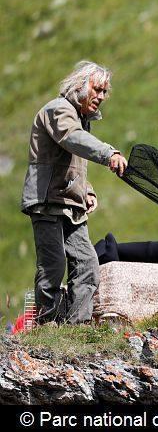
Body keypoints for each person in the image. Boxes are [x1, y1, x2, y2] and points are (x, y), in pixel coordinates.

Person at [21, 61, 127, 325]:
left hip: (72, 205)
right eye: (97, 89)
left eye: (105, 92)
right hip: (47, 201)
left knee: (87, 264)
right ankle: (48, 327)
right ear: (80, 85)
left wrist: (87, 191)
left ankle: (77, 328)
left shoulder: (80, 119)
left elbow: (74, 162)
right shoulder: (59, 110)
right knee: (53, 265)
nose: (101, 97)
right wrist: (108, 153)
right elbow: (72, 139)